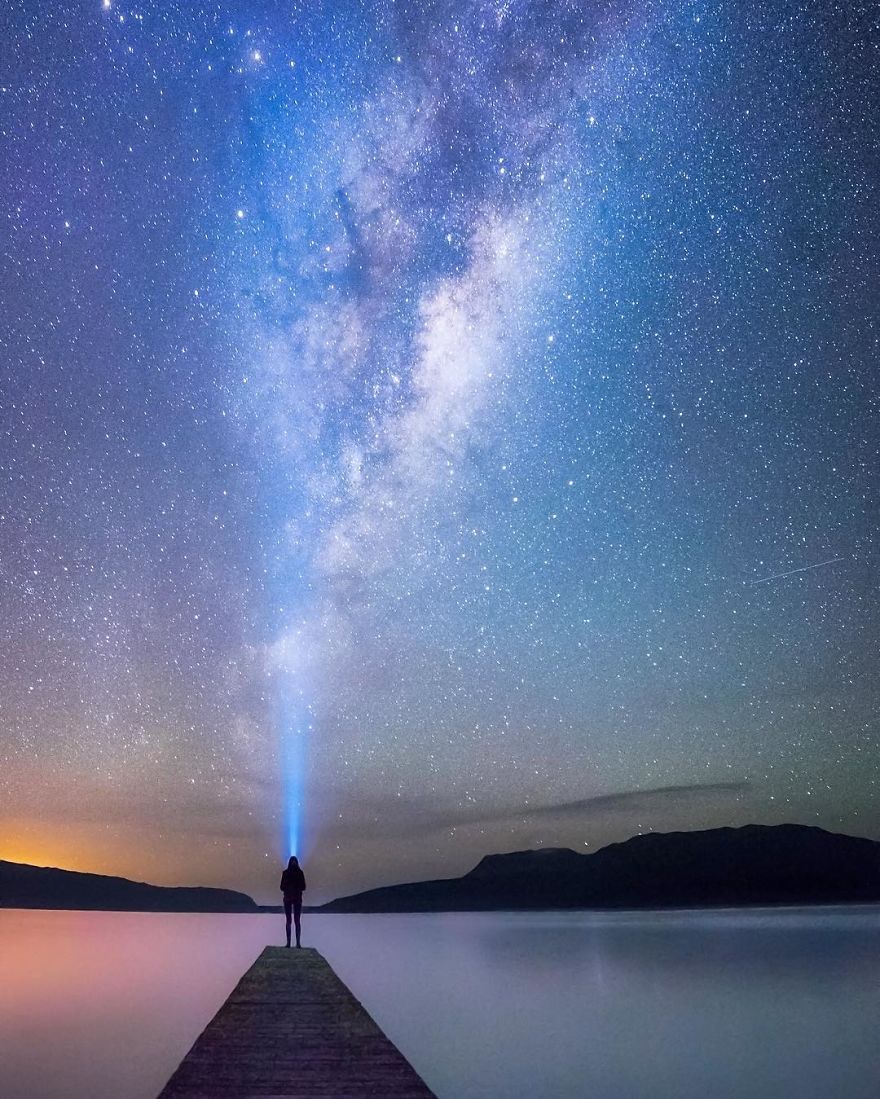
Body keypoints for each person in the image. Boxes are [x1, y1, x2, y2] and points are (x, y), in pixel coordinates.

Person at [280, 855, 306, 948]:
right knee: (291, 921)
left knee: (295, 921)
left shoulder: (297, 873)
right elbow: (282, 887)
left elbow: (303, 887)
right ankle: (291, 943)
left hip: (294, 898)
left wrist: (292, 887)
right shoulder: (289, 873)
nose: (293, 863)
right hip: (290, 898)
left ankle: (296, 943)